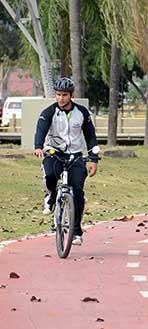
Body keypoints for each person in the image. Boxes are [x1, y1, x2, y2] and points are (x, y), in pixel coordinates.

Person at [33, 77, 100, 246]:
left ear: (71, 95)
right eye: (58, 95)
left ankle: (76, 231)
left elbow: (90, 136)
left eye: (64, 95)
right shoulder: (49, 112)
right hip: (54, 153)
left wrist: (93, 159)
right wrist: (38, 146)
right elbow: (40, 129)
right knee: (49, 177)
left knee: (77, 192)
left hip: (75, 156)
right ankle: (51, 196)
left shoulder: (82, 113)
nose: (61, 98)